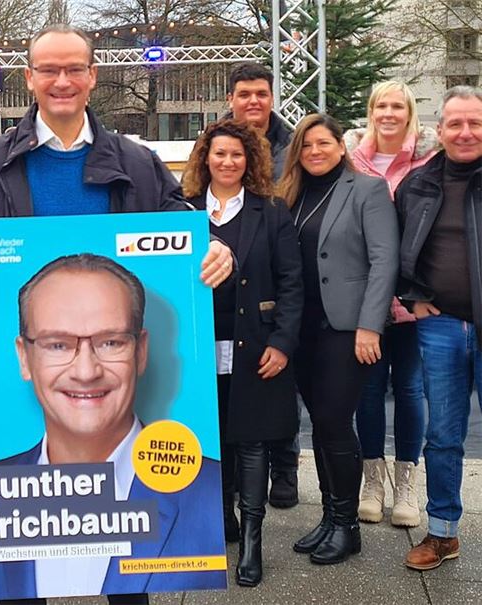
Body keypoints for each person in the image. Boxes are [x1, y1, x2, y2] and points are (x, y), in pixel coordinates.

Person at [0, 24, 234, 605]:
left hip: (134, 444)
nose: (62, 81)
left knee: (130, 585)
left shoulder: (137, 162)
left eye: (74, 69)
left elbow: (181, 229)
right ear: (29, 79)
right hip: (9, 408)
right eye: (49, 70)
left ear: (93, 76)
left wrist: (214, 248)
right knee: (21, 583)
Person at [0, 254, 223, 600]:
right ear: (24, 357)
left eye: (110, 342)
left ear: (141, 351)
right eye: (58, 344)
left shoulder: (203, 492)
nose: (86, 372)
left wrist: (218, 247)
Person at [182, 119, 303, 586]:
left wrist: (282, 343)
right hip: (196, 349)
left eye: (237, 154)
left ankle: (252, 540)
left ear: (250, 160)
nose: (228, 161)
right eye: (220, 153)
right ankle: (222, 519)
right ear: (205, 158)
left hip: (255, 346)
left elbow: (292, 284)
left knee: (251, 441)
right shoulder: (184, 210)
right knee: (209, 438)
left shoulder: (271, 211)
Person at [279, 113, 399, 565]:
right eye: (307, 145)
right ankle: (331, 517)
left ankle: (347, 526)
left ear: (341, 146)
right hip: (302, 328)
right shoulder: (290, 194)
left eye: (323, 143)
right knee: (320, 423)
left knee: (333, 422)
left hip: (347, 328)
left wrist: (370, 325)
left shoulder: (367, 190)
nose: (315, 152)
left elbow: (384, 261)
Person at [343, 81, 438, 528]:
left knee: (410, 389)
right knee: (367, 390)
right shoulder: (352, 160)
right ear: (371, 111)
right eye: (381, 105)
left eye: (398, 106)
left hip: (413, 301)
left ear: (409, 112)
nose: (389, 113)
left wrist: (426, 292)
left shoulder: (428, 160)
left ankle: (406, 483)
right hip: (366, 299)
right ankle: (372, 482)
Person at [399, 86, 482, 571]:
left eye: (475, 123)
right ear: (440, 129)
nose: (466, 132)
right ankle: (443, 533)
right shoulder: (418, 184)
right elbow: (395, 248)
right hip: (441, 324)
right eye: (456, 123)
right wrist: (412, 295)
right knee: (444, 434)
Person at [224, 62, 300, 509]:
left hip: (286, 259)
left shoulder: (294, 145)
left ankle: (285, 468)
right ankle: (234, 480)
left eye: (261, 93)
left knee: (280, 381)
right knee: (242, 387)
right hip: (239, 275)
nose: (253, 101)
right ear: (231, 99)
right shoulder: (217, 141)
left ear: (272, 98)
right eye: (244, 93)